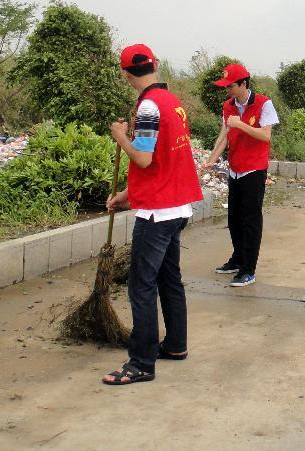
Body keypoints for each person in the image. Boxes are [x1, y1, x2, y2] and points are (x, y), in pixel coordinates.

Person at [103, 44, 202, 386]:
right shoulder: (173, 102)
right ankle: (175, 345)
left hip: (157, 214)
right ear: (155, 65)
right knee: (169, 278)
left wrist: (120, 137)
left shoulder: (147, 106)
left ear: (125, 74)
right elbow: (163, 160)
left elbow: (143, 159)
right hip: (177, 206)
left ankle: (142, 363)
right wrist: (127, 195)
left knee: (141, 285)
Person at [204, 63, 279, 287]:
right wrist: (211, 159)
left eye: (231, 86)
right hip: (235, 169)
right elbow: (225, 135)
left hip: (254, 170)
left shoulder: (264, 103)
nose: (227, 90)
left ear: (243, 83)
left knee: (250, 220)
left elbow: (265, 136)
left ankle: (248, 269)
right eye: (225, 86)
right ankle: (237, 260)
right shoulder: (228, 106)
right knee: (234, 218)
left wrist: (240, 124)